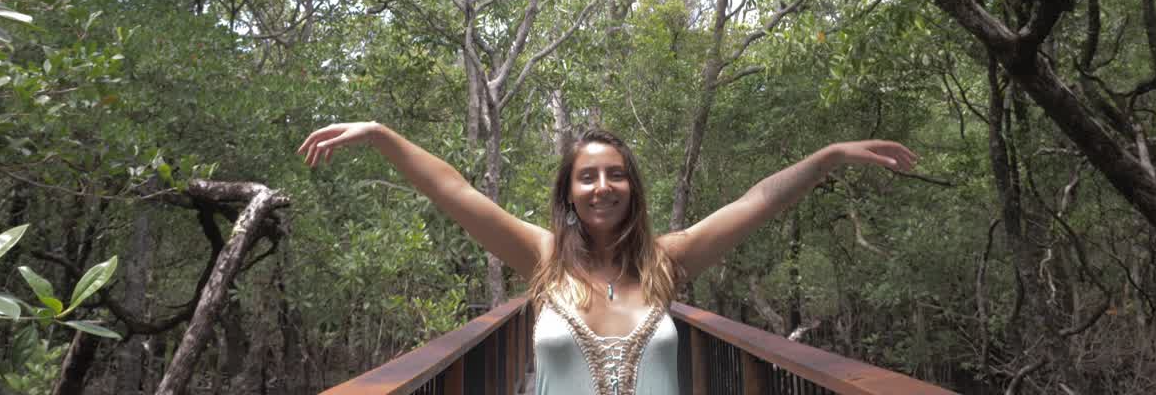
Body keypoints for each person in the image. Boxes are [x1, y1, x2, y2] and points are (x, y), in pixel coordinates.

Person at [298, 122, 918, 395]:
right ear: (569, 192)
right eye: (588, 176)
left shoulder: (666, 261)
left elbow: (755, 200)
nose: (602, 186)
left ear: (632, 188)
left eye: (615, 175)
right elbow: (455, 190)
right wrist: (381, 136)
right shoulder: (542, 257)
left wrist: (828, 156)